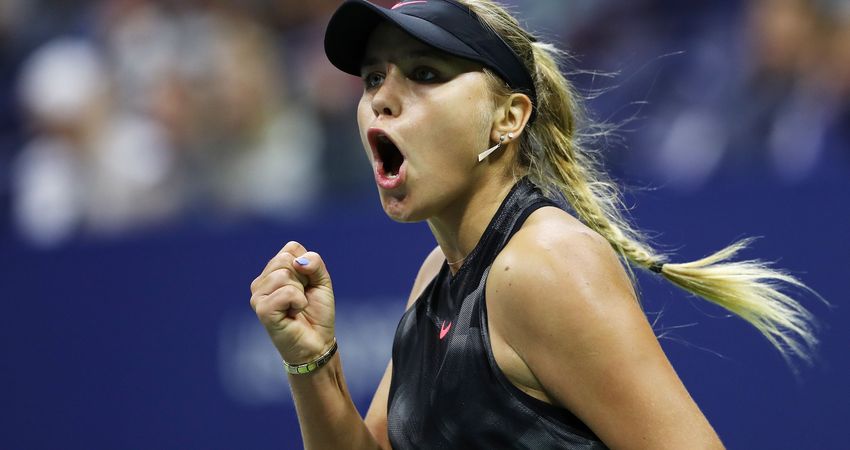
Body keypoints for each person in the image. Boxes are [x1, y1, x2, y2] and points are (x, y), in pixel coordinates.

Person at [249, 1, 819, 448]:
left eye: (424, 73)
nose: (382, 100)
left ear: (508, 118)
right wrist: (311, 361)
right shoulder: (436, 275)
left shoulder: (544, 263)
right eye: (373, 78)